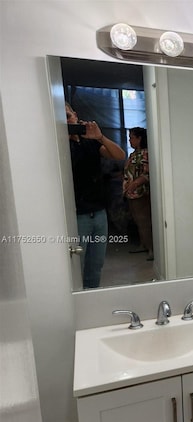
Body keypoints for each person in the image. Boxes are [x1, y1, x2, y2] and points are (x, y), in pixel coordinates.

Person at [66, 102, 126, 288]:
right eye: (61, 118)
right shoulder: (59, 146)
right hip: (77, 214)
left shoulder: (90, 141)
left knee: (96, 263)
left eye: (68, 116)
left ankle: (91, 296)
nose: (67, 121)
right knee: (77, 264)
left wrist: (100, 137)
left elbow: (119, 155)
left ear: (75, 115)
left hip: (99, 213)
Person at [123, 127, 153, 261]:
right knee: (137, 221)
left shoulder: (146, 153)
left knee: (144, 221)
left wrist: (134, 184)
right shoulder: (133, 154)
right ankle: (143, 244)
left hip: (140, 192)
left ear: (140, 138)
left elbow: (147, 174)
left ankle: (152, 248)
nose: (130, 140)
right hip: (130, 193)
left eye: (132, 137)